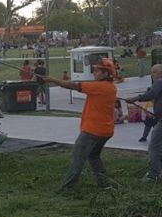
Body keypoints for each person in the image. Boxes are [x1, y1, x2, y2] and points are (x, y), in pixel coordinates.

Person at [42, 59, 117, 190]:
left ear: (106, 74)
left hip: (92, 131)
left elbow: (74, 85)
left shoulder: (99, 87)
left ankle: (67, 188)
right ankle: (105, 184)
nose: (94, 73)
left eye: (97, 71)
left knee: (78, 158)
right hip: (106, 131)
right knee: (93, 156)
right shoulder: (110, 87)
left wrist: (53, 80)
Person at [125, 64, 162, 182]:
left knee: (154, 147)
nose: (152, 75)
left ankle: (154, 175)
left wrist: (134, 99)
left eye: (154, 72)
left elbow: (151, 94)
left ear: (161, 73)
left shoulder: (161, 82)